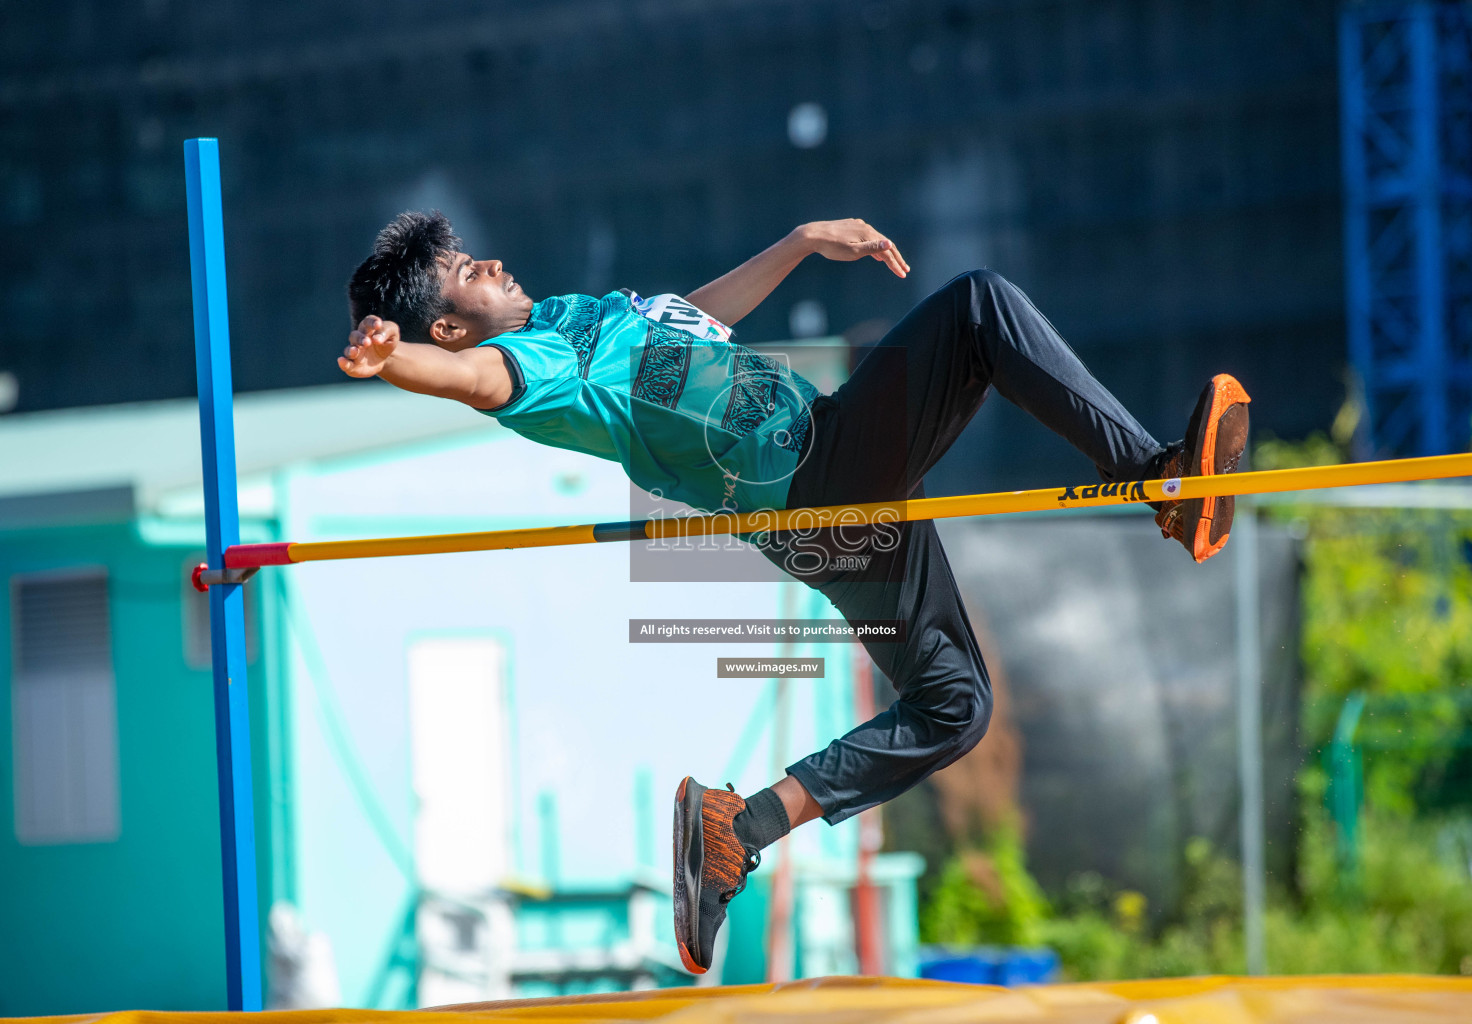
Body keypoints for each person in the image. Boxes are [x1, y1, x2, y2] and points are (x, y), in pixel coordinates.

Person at [342, 211, 1250, 975]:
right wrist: (395, 362)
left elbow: (685, 320)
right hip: (821, 470)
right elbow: (467, 380)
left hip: (823, 496)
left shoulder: (580, 318)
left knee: (955, 703)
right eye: (468, 274)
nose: (492, 263)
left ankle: (740, 825)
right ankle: (1161, 480)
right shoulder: (529, 370)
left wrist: (798, 243)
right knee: (980, 308)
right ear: (453, 327)